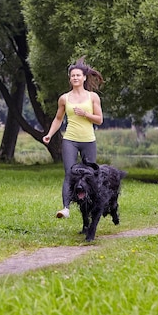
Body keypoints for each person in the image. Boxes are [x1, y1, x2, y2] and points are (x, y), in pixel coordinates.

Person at [42, 57, 104, 218]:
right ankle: (65, 208)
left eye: (78, 75)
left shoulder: (92, 97)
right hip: (70, 140)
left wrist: (85, 114)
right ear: (70, 78)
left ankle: (90, 208)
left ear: (84, 77)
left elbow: (99, 119)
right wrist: (49, 134)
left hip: (88, 141)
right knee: (69, 173)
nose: (75, 78)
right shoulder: (64, 98)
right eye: (72, 75)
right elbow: (58, 118)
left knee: (89, 175)